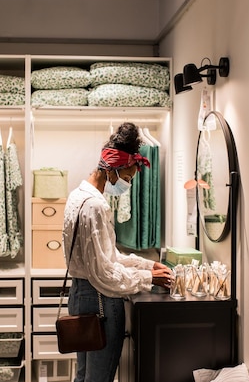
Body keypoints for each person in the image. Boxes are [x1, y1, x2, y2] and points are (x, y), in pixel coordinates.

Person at [63, 122, 172, 382]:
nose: (127, 184)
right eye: (128, 178)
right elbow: (105, 274)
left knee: (84, 377)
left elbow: (106, 256)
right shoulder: (95, 207)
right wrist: (149, 280)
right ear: (113, 170)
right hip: (100, 301)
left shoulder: (77, 196)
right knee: (99, 378)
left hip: (80, 296)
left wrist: (147, 266)